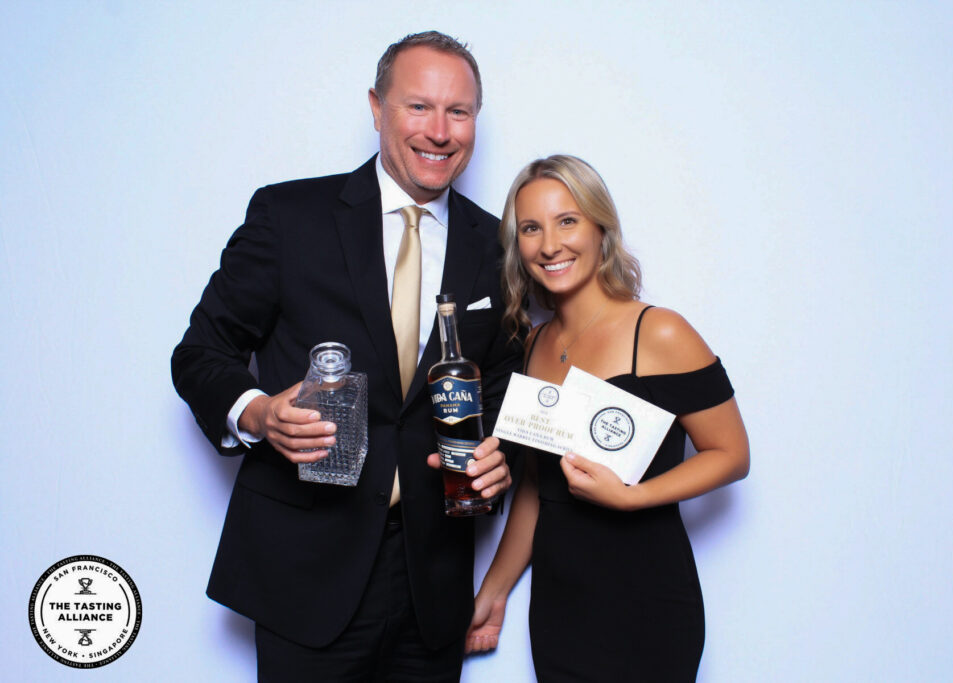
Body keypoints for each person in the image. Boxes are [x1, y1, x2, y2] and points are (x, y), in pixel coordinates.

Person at [171, 31, 522, 682]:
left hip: (434, 584)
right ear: (376, 107)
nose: (440, 131)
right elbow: (201, 352)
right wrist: (257, 413)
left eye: (460, 112)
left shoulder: (497, 245)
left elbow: (501, 390)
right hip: (306, 572)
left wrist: (501, 457)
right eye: (418, 106)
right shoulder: (289, 215)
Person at [464, 155, 750, 681]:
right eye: (531, 228)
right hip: (559, 606)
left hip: (647, 602)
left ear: (601, 228)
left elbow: (732, 456)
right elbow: (534, 487)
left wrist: (633, 495)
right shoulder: (532, 345)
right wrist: (495, 591)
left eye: (567, 220)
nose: (549, 244)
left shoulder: (659, 333)